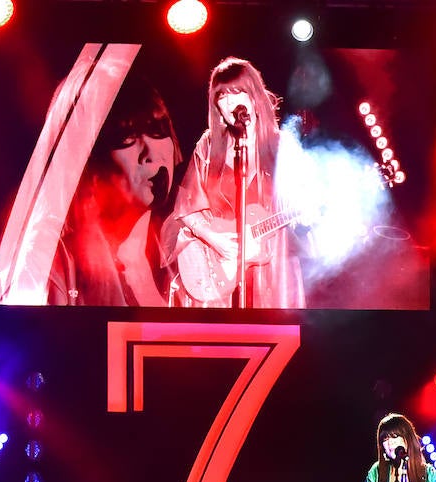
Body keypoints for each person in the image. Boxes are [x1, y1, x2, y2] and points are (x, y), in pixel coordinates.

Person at [164, 57, 304, 309]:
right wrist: (215, 240)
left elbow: (299, 208)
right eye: (222, 96)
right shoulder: (208, 146)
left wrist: (308, 210)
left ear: (254, 96)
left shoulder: (282, 147)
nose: (229, 102)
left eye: (237, 92)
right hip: (217, 263)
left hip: (269, 268)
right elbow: (186, 206)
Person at [48, 76, 181, 307]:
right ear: (91, 158)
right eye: (126, 136)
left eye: (157, 130)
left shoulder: (185, 259)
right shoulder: (59, 264)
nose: (150, 153)